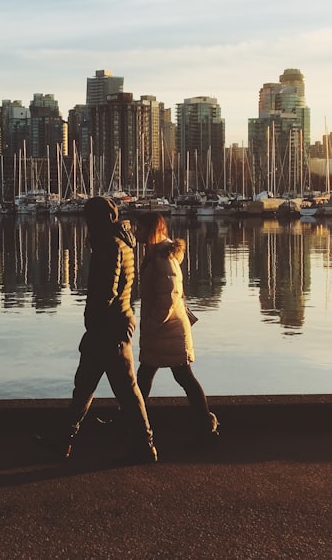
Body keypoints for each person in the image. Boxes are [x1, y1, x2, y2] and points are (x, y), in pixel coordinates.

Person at [36, 195, 157, 464]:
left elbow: (106, 290)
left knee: (125, 389)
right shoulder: (124, 243)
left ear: (98, 220)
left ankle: (145, 444)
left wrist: (92, 321)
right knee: (85, 385)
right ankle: (65, 439)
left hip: (108, 326)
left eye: (89, 218)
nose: (87, 223)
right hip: (117, 321)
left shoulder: (109, 245)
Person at [133, 211, 219, 437]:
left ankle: (205, 422)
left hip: (166, 329)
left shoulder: (162, 258)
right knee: (153, 376)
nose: (136, 232)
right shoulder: (155, 254)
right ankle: (134, 420)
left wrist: (151, 324)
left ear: (151, 231)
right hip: (165, 329)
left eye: (139, 228)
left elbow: (169, 297)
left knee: (179, 376)